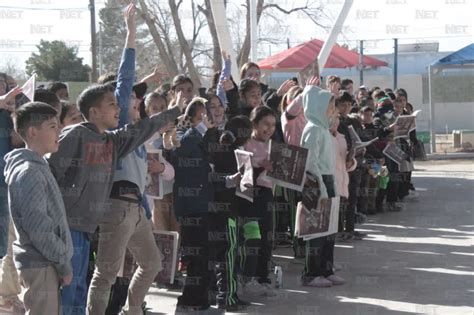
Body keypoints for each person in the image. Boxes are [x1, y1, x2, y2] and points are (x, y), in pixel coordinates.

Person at [4, 102, 74, 315]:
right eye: (53, 127)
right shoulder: (30, 172)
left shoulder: (36, 167)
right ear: (33, 132)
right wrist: (62, 263)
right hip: (40, 263)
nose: (59, 131)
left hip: (43, 262)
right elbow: (39, 229)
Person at [171, 97, 214, 312]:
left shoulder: (215, 136)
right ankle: (190, 301)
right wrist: (200, 129)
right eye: (202, 115)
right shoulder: (183, 133)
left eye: (214, 110)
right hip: (192, 206)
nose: (208, 117)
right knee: (196, 257)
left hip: (212, 204)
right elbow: (177, 152)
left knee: (207, 256)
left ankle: (202, 299)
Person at [300, 83, 345, 287]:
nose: (332, 110)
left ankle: (326, 269)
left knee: (329, 230)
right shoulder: (313, 130)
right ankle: (311, 273)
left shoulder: (324, 129)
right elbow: (310, 163)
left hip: (328, 180)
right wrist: (322, 188)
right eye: (329, 106)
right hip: (317, 183)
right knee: (317, 231)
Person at [239, 105, 277, 297]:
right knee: (253, 238)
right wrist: (261, 167)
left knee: (267, 237)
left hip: (268, 194)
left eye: (273, 125)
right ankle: (248, 277)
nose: (269, 129)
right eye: (265, 124)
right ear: (254, 123)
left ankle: (263, 277)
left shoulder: (274, 145)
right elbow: (242, 175)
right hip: (250, 197)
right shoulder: (246, 143)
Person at [0, 86, 26, 314]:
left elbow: (17, 142)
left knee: (8, 241)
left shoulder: (8, 116)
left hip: (7, 184)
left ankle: (8, 295)